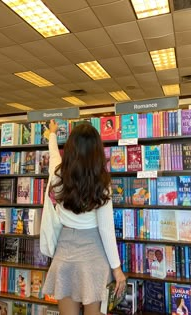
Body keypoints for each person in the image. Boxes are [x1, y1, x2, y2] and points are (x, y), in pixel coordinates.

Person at [42, 120, 126, 315]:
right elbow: (106, 229)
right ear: (97, 152)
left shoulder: (58, 175)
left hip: (65, 251)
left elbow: (54, 153)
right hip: (93, 252)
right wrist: (117, 269)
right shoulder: (102, 184)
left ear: (70, 149)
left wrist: (52, 133)